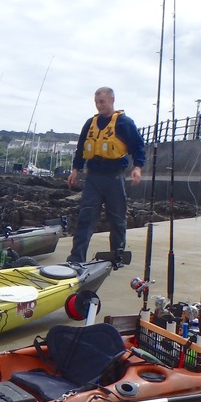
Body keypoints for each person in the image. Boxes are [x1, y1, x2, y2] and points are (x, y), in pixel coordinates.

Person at [66, 86, 145, 267]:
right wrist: (76, 169)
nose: (99, 105)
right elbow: (81, 148)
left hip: (114, 177)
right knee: (85, 218)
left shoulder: (124, 123)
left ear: (111, 100)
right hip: (93, 178)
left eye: (102, 102)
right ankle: (76, 258)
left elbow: (138, 147)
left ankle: (117, 256)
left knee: (117, 219)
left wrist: (137, 168)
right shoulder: (90, 123)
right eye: (96, 102)